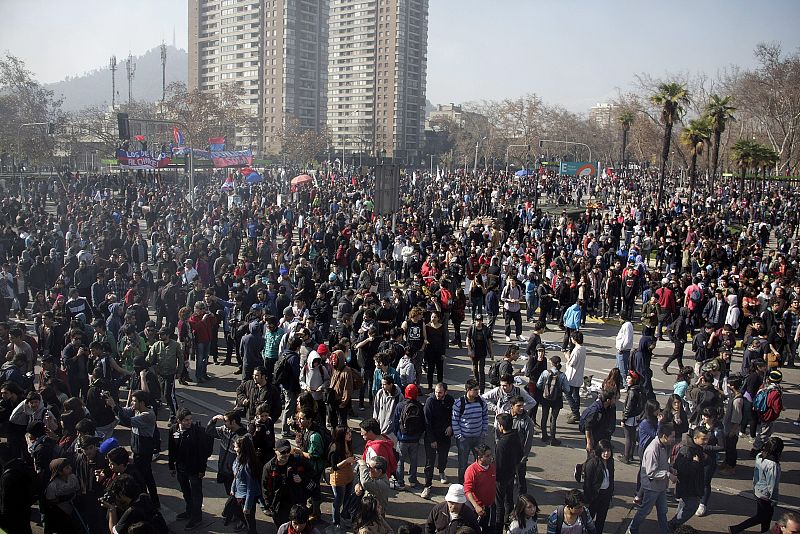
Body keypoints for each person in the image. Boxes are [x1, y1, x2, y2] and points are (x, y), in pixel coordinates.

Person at [106, 389, 160, 508]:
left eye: (134, 401)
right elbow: (124, 412)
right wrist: (112, 402)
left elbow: (126, 421)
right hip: (138, 450)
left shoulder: (148, 415)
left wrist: (114, 406)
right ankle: (155, 502)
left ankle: (147, 504)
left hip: (143, 452)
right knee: (148, 477)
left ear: (142, 403)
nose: (132, 403)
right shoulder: (136, 410)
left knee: (141, 479)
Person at [628, 423, 676, 534]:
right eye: (672, 437)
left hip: (661, 486)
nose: (673, 439)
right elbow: (651, 472)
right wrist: (668, 474)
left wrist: (670, 469)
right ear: (664, 436)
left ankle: (665, 531)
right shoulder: (652, 450)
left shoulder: (663, 446)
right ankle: (633, 528)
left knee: (663, 510)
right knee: (645, 510)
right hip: (652, 487)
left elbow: (662, 464)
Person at [728, 437, 783, 533]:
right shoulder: (772, 464)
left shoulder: (760, 456)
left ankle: (764, 531)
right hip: (766, 494)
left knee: (766, 516)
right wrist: (774, 499)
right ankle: (737, 528)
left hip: (758, 490)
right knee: (763, 516)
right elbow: (772, 483)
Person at [167, 408, 208, 529]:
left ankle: (197, 517)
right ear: (179, 421)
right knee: (186, 492)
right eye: (186, 420)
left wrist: (202, 470)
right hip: (181, 468)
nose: (189, 422)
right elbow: (172, 449)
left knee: (196, 494)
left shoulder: (197, 432)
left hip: (194, 469)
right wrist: (171, 466)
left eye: (190, 419)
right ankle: (189, 511)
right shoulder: (173, 430)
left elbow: (202, 452)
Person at [262, 439, 314, 529]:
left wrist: (302, 478)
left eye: (288, 451)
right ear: (275, 450)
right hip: (279, 505)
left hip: (296, 501)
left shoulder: (298, 461)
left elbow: (312, 472)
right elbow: (265, 487)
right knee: (283, 527)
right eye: (282, 452)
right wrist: (269, 504)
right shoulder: (269, 467)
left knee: (298, 527)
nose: (286, 454)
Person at [668, 426, 710, 531]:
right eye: (703, 439)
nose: (706, 441)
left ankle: (674, 527)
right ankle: (672, 525)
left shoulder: (697, 447)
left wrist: (704, 459)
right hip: (687, 486)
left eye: (707, 439)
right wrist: (695, 463)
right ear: (695, 438)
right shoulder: (687, 449)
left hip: (693, 484)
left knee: (683, 507)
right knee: (691, 507)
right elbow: (683, 469)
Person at [102, 473, 168, 534]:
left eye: (116, 495)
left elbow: (114, 533)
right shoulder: (144, 497)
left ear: (121, 495)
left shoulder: (132, 511)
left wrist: (111, 509)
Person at [452, 379, 488, 483]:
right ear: (468, 390)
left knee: (480, 462)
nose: (477, 392)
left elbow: (485, 416)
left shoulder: (481, 402)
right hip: (464, 439)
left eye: (478, 390)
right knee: (463, 464)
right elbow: (455, 420)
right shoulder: (459, 404)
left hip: (478, 438)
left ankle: (477, 482)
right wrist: (460, 436)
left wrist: (483, 431)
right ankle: (462, 484)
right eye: (475, 390)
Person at [422, 382, 454, 499]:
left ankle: (441, 471)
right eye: (436, 392)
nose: (437, 395)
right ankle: (427, 485)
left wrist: (451, 427)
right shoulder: (430, 402)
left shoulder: (450, 400)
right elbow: (427, 422)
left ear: (446, 392)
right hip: (432, 437)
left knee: (443, 457)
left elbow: (454, 416)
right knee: (429, 462)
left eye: (440, 392)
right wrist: (432, 439)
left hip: (445, 436)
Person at [495, 413, 524, 534]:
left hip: (501, 478)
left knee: (499, 504)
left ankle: (498, 528)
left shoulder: (502, 443)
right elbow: (520, 454)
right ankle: (508, 525)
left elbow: (499, 464)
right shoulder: (515, 436)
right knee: (509, 501)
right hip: (511, 474)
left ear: (501, 426)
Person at [394, 383, 424, 490]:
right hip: (415, 439)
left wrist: (398, 434)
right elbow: (423, 424)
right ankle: (413, 481)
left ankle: (400, 482)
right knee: (414, 460)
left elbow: (395, 423)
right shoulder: (419, 406)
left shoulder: (400, 405)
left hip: (402, 438)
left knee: (400, 461)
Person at [229, 434, 261, 534]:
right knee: (233, 511)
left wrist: (247, 506)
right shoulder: (238, 459)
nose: (234, 449)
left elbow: (251, 487)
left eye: (236, 447)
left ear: (242, 448)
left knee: (250, 522)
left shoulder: (248, 464)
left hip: (245, 497)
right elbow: (236, 476)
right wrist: (232, 488)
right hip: (238, 493)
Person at [536, 355, 570, 445]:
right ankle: (553, 439)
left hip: (546, 398)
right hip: (557, 399)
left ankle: (544, 436)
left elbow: (538, 385)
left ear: (552, 363)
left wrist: (545, 388)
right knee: (553, 418)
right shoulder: (562, 375)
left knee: (544, 417)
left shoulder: (545, 373)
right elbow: (567, 389)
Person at [582, 440, 614, 534]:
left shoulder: (610, 462)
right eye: (604, 451)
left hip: (605, 495)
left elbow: (611, 478)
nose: (606, 454)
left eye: (608, 451)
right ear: (599, 451)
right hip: (594, 496)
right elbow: (587, 484)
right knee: (589, 518)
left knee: (601, 518)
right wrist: (588, 498)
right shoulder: (592, 463)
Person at [464, 443, 496, 534]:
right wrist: (476, 506)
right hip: (475, 509)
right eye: (487, 456)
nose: (491, 458)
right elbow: (468, 491)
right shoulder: (471, 470)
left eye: (491, 455)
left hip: (488, 507)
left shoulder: (492, 467)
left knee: (488, 530)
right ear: (479, 457)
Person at [329, 426, 355, 529]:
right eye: (347, 433)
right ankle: (336, 522)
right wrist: (346, 461)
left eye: (350, 432)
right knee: (338, 500)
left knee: (347, 499)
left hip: (349, 475)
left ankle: (345, 516)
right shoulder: (334, 448)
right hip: (339, 478)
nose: (350, 435)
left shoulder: (348, 443)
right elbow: (334, 467)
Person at [579, 389, 616, 455]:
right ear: (608, 400)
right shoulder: (595, 410)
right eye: (614, 398)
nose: (615, 400)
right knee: (593, 457)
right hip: (594, 437)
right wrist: (589, 442)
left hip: (602, 434)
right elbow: (588, 427)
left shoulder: (609, 407)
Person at [621, 370, 645, 464]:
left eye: (629, 378)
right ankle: (630, 456)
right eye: (627, 378)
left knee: (628, 437)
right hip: (636, 416)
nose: (627, 380)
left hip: (630, 416)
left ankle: (626, 457)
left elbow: (629, 406)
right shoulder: (639, 389)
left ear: (634, 379)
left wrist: (624, 418)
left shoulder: (632, 391)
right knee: (632, 437)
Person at [466, 315, 493, 393]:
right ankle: (476, 383)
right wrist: (469, 350)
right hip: (474, 351)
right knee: (474, 368)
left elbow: (489, 341)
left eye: (480, 320)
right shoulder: (471, 328)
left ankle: (482, 388)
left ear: (482, 321)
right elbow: (467, 339)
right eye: (477, 320)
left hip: (482, 351)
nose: (478, 322)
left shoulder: (486, 329)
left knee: (481, 370)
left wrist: (491, 352)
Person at [565, 331, 587, 424]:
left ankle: (575, 413)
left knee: (568, 394)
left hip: (572, 376)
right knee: (576, 394)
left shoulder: (576, 350)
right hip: (578, 375)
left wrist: (567, 356)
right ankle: (575, 411)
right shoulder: (583, 348)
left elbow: (571, 363)